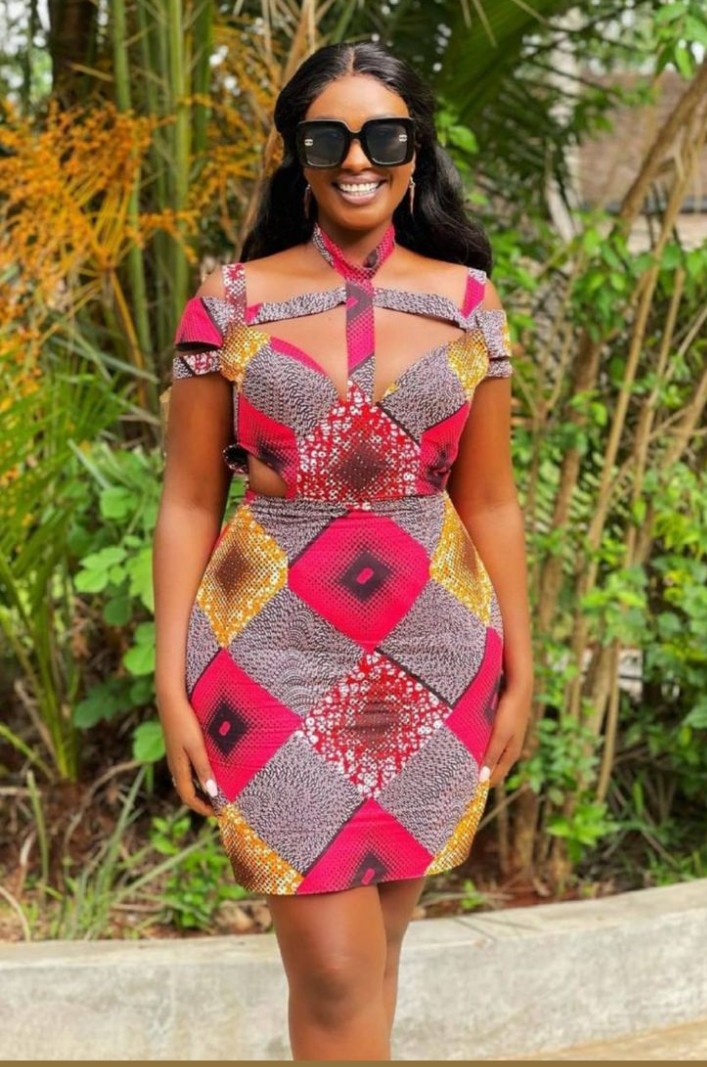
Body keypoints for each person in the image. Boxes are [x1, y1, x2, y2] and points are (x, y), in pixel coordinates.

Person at [153, 40, 533, 1062]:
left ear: (416, 150)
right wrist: (170, 683)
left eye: (383, 136)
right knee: (331, 969)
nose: (356, 159)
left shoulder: (468, 303)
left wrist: (522, 667)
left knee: (375, 955)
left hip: (436, 650)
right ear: (297, 154)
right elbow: (187, 501)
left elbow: (489, 500)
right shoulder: (229, 302)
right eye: (328, 138)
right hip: (266, 653)